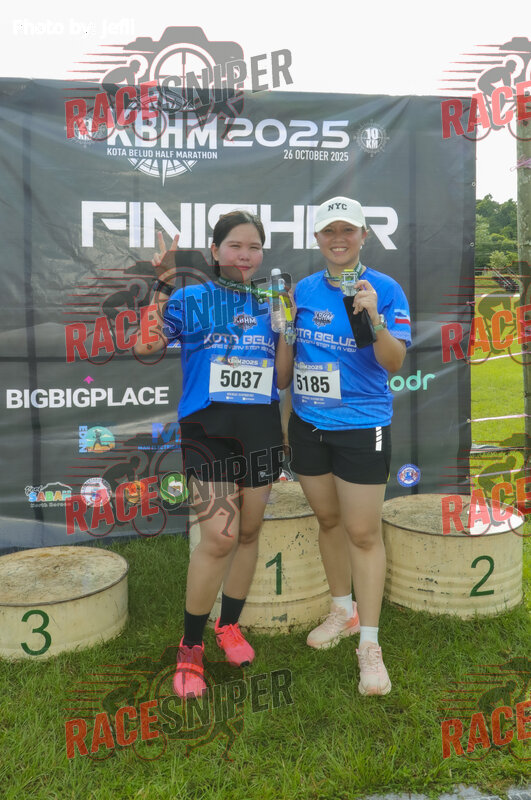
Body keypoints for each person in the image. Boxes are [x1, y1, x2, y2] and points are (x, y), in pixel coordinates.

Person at [134, 210, 294, 698]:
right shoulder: (190, 297)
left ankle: (229, 626)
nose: (245, 255)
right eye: (235, 246)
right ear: (215, 251)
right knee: (219, 539)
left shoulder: (271, 300)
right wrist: (162, 287)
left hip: (260, 429)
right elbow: (145, 347)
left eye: (254, 247)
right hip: (209, 430)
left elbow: (282, 378)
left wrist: (286, 329)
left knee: (248, 533)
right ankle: (190, 647)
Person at [287, 196, 411, 695]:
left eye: (348, 230)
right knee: (329, 521)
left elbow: (394, 362)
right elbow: (291, 354)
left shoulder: (385, 288)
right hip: (308, 423)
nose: (338, 239)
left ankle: (370, 645)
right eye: (329, 231)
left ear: (364, 235)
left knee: (362, 532)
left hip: (363, 426)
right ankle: (343, 610)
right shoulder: (302, 290)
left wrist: (374, 317)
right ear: (317, 238)